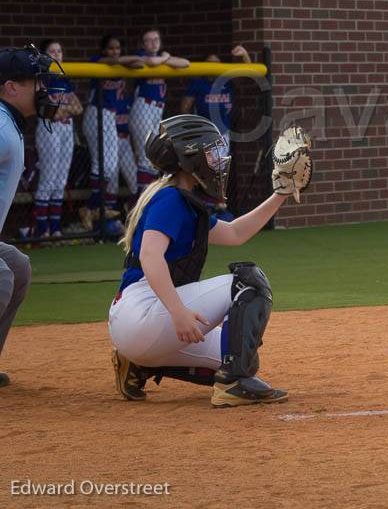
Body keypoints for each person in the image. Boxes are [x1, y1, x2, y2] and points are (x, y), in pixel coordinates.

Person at [108, 116, 311, 407]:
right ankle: (233, 384)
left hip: (137, 326)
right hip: (144, 312)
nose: (218, 159)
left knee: (240, 356)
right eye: (211, 152)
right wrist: (177, 311)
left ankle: (140, 365)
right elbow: (149, 255)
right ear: (189, 157)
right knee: (248, 281)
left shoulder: (183, 202)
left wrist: (280, 194)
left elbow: (235, 233)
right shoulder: (171, 200)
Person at [0, 45, 60, 386]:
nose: (44, 90)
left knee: (17, 266)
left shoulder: (8, 123)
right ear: (11, 87)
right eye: (36, 82)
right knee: (1, 277)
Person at [81, 35, 144, 236]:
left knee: (108, 166)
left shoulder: (120, 67)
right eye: (111, 48)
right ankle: (92, 206)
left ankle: (94, 206)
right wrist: (124, 61)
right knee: (104, 165)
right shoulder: (97, 61)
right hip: (95, 113)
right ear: (104, 51)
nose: (115, 52)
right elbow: (118, 62)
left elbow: (139, 64)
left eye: (118, 48)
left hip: (109, 116)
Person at [32, 40, 83, 239]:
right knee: (48, 178)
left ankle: (56, 230)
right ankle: (43, 231)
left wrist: (61, 110)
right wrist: (62, 111)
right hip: (49, 130)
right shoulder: (42, 79)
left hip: (66, 129)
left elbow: (78, 108)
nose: (57, 54)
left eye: (59, 51)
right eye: (52, 51)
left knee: (61, 180)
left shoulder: (63, 79)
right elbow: (49, 114)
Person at [130, 29, 189, 194]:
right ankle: (142, 198)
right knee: (145, 155)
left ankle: (146, 195)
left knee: (153, 155)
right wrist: (165, 58)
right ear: (142, 44)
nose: (153, 43)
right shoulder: (140, 56)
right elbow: (152, 62)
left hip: (157, 110)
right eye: (148, 40)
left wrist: (165, 58)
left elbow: (185, 63)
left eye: (156, 39)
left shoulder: (162, 59)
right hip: (143, 108)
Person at [180, 45, 252, 133]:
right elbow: (185, 110)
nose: (214, 65)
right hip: (203, 131)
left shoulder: (227, 81)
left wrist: (244, 54)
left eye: (217, 63)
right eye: (210, 63)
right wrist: (192, 128)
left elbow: (247, 75)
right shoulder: (198, 83)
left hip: (223, 131)